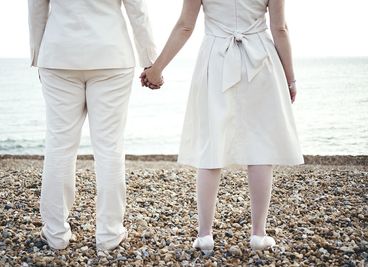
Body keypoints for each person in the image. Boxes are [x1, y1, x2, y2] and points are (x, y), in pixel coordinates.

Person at [141, 0, 304, 254]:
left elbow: (185, 26)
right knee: (261, 147)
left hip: (216, 57)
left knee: (211, 142)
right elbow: (280, 28)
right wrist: (290, 78)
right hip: (260, 59)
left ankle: (205, 235)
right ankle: (258, 234)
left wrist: (156, 68)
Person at [28, 0, 157, 253]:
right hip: (111, 54)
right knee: (109, 148)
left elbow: (36, 7)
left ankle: (55, 234)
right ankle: (109, 235)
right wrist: (150, 61)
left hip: (58, 55)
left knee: (59, 147)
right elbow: (137, 10)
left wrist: (38, 55)